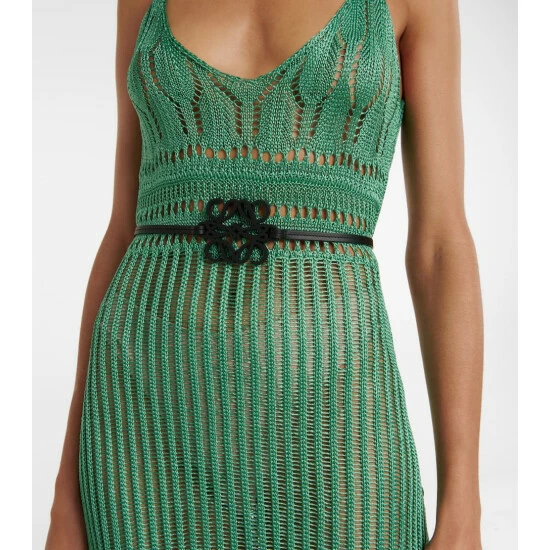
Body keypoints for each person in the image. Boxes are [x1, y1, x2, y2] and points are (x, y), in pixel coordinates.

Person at [45, 0, 484, 548]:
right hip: (144, 419)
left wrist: (463, 501)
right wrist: (66, 487)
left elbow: (440, 246)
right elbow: (122, 230)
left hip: (337, 410)